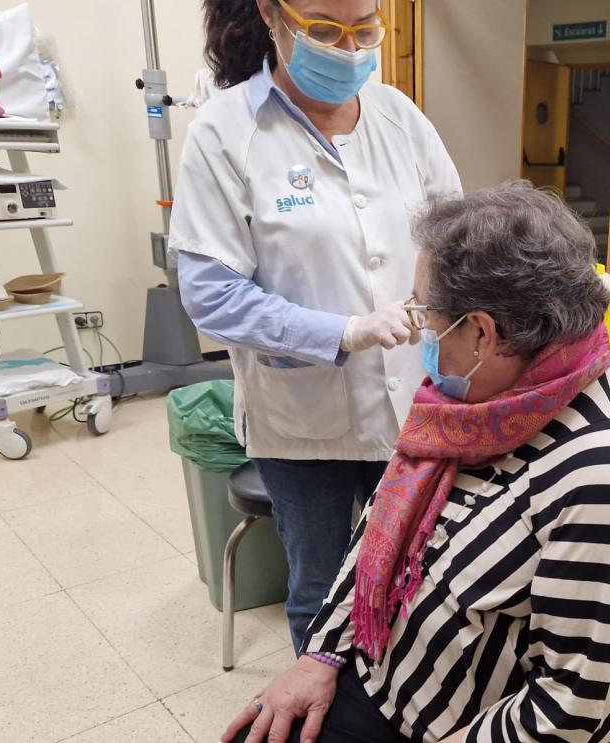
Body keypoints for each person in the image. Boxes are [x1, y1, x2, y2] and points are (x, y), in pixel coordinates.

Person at [224, 181, 610, 743]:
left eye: (425, 312)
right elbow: (378, 527)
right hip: (406, 678)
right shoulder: (469, 402)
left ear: (482, 332)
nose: (418, 328)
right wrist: (324, 653)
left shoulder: (606, 471)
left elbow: (574, 708)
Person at [169, 0, 460, 651]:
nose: (351, 49)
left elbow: (454, 234)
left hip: (412, 407)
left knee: (415, 581)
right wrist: (342, 332)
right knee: (321, 591)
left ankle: (401, 705)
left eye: (367, 29)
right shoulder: (225, 133)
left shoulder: (401, 119)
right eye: (327, 31)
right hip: (301, 424)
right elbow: (213, 294)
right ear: (273, 16)